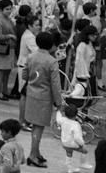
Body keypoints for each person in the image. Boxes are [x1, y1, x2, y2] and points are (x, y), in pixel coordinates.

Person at [23, 30, 62, 167]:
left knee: (35, 126)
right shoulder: (52, 61)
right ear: (51, 44)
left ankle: (36, 152)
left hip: (31, 94)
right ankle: (33, 156)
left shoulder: (31, 57)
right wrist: (59, 102)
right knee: (39, 128)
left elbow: (24, 76)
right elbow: (56, 85)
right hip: (44, 97)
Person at [56, 104, 87, 173]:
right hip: (73, 144)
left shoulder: (62, 120)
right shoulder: (76, 124)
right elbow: (77, 138)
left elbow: (58, 119)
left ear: (65, 113)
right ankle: (83, 163)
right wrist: (82, 144)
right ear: (76, 115)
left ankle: (70, 168)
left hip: (64, 143)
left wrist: (58, 111)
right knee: (85, 150)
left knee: (69, 153)